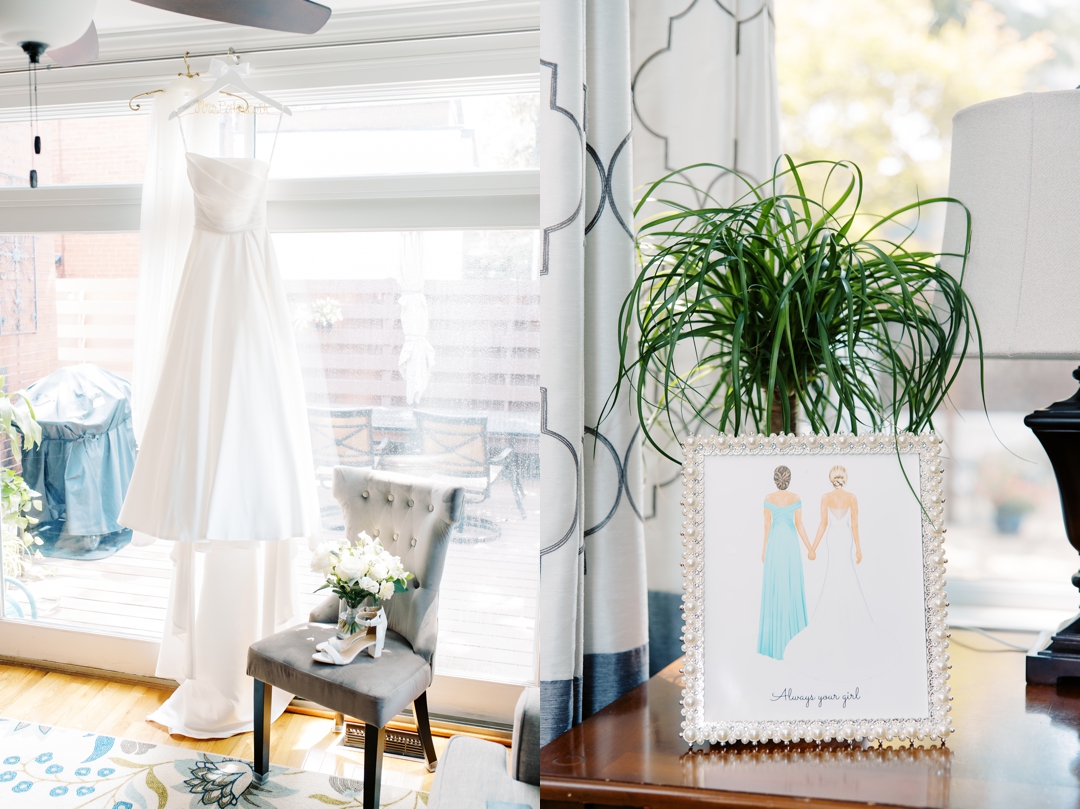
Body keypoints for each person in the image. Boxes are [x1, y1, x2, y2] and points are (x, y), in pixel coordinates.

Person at [784, 465, 898, 680]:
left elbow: (823, 524)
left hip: (833, 540)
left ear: (831, 479)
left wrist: (813, 548)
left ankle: (836, 613)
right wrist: (858, 547)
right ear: (844, 479)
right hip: (843, 538)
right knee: (843, 572)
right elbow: (854, 524)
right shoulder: (852, 497)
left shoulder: (826, 497)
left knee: (835, 574)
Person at [758, 465, 815, 660]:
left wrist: (764, 548)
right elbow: (799, 524)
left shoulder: (768, 499)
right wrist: (809, 547)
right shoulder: (796, 498)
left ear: (775, 480)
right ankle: (794, 641)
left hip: (775, 541)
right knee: (791, 585)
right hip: (790, 543)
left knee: (776, 586)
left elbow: (767, 525)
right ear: (788, 480)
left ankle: (775, 645)